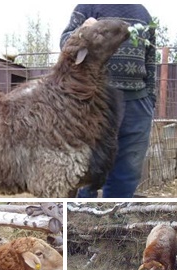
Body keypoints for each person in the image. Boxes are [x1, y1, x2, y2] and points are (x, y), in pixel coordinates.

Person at [61, 4, 156, 198]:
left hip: (136, 103)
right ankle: (79, 216)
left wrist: (150, 97)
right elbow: (65, 45)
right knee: (86, 169)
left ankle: (114, 215)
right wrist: (82, 32)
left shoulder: (143, 14)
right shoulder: (87, 8)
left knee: (128, 172)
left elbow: (151, 59)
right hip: (92, 101)